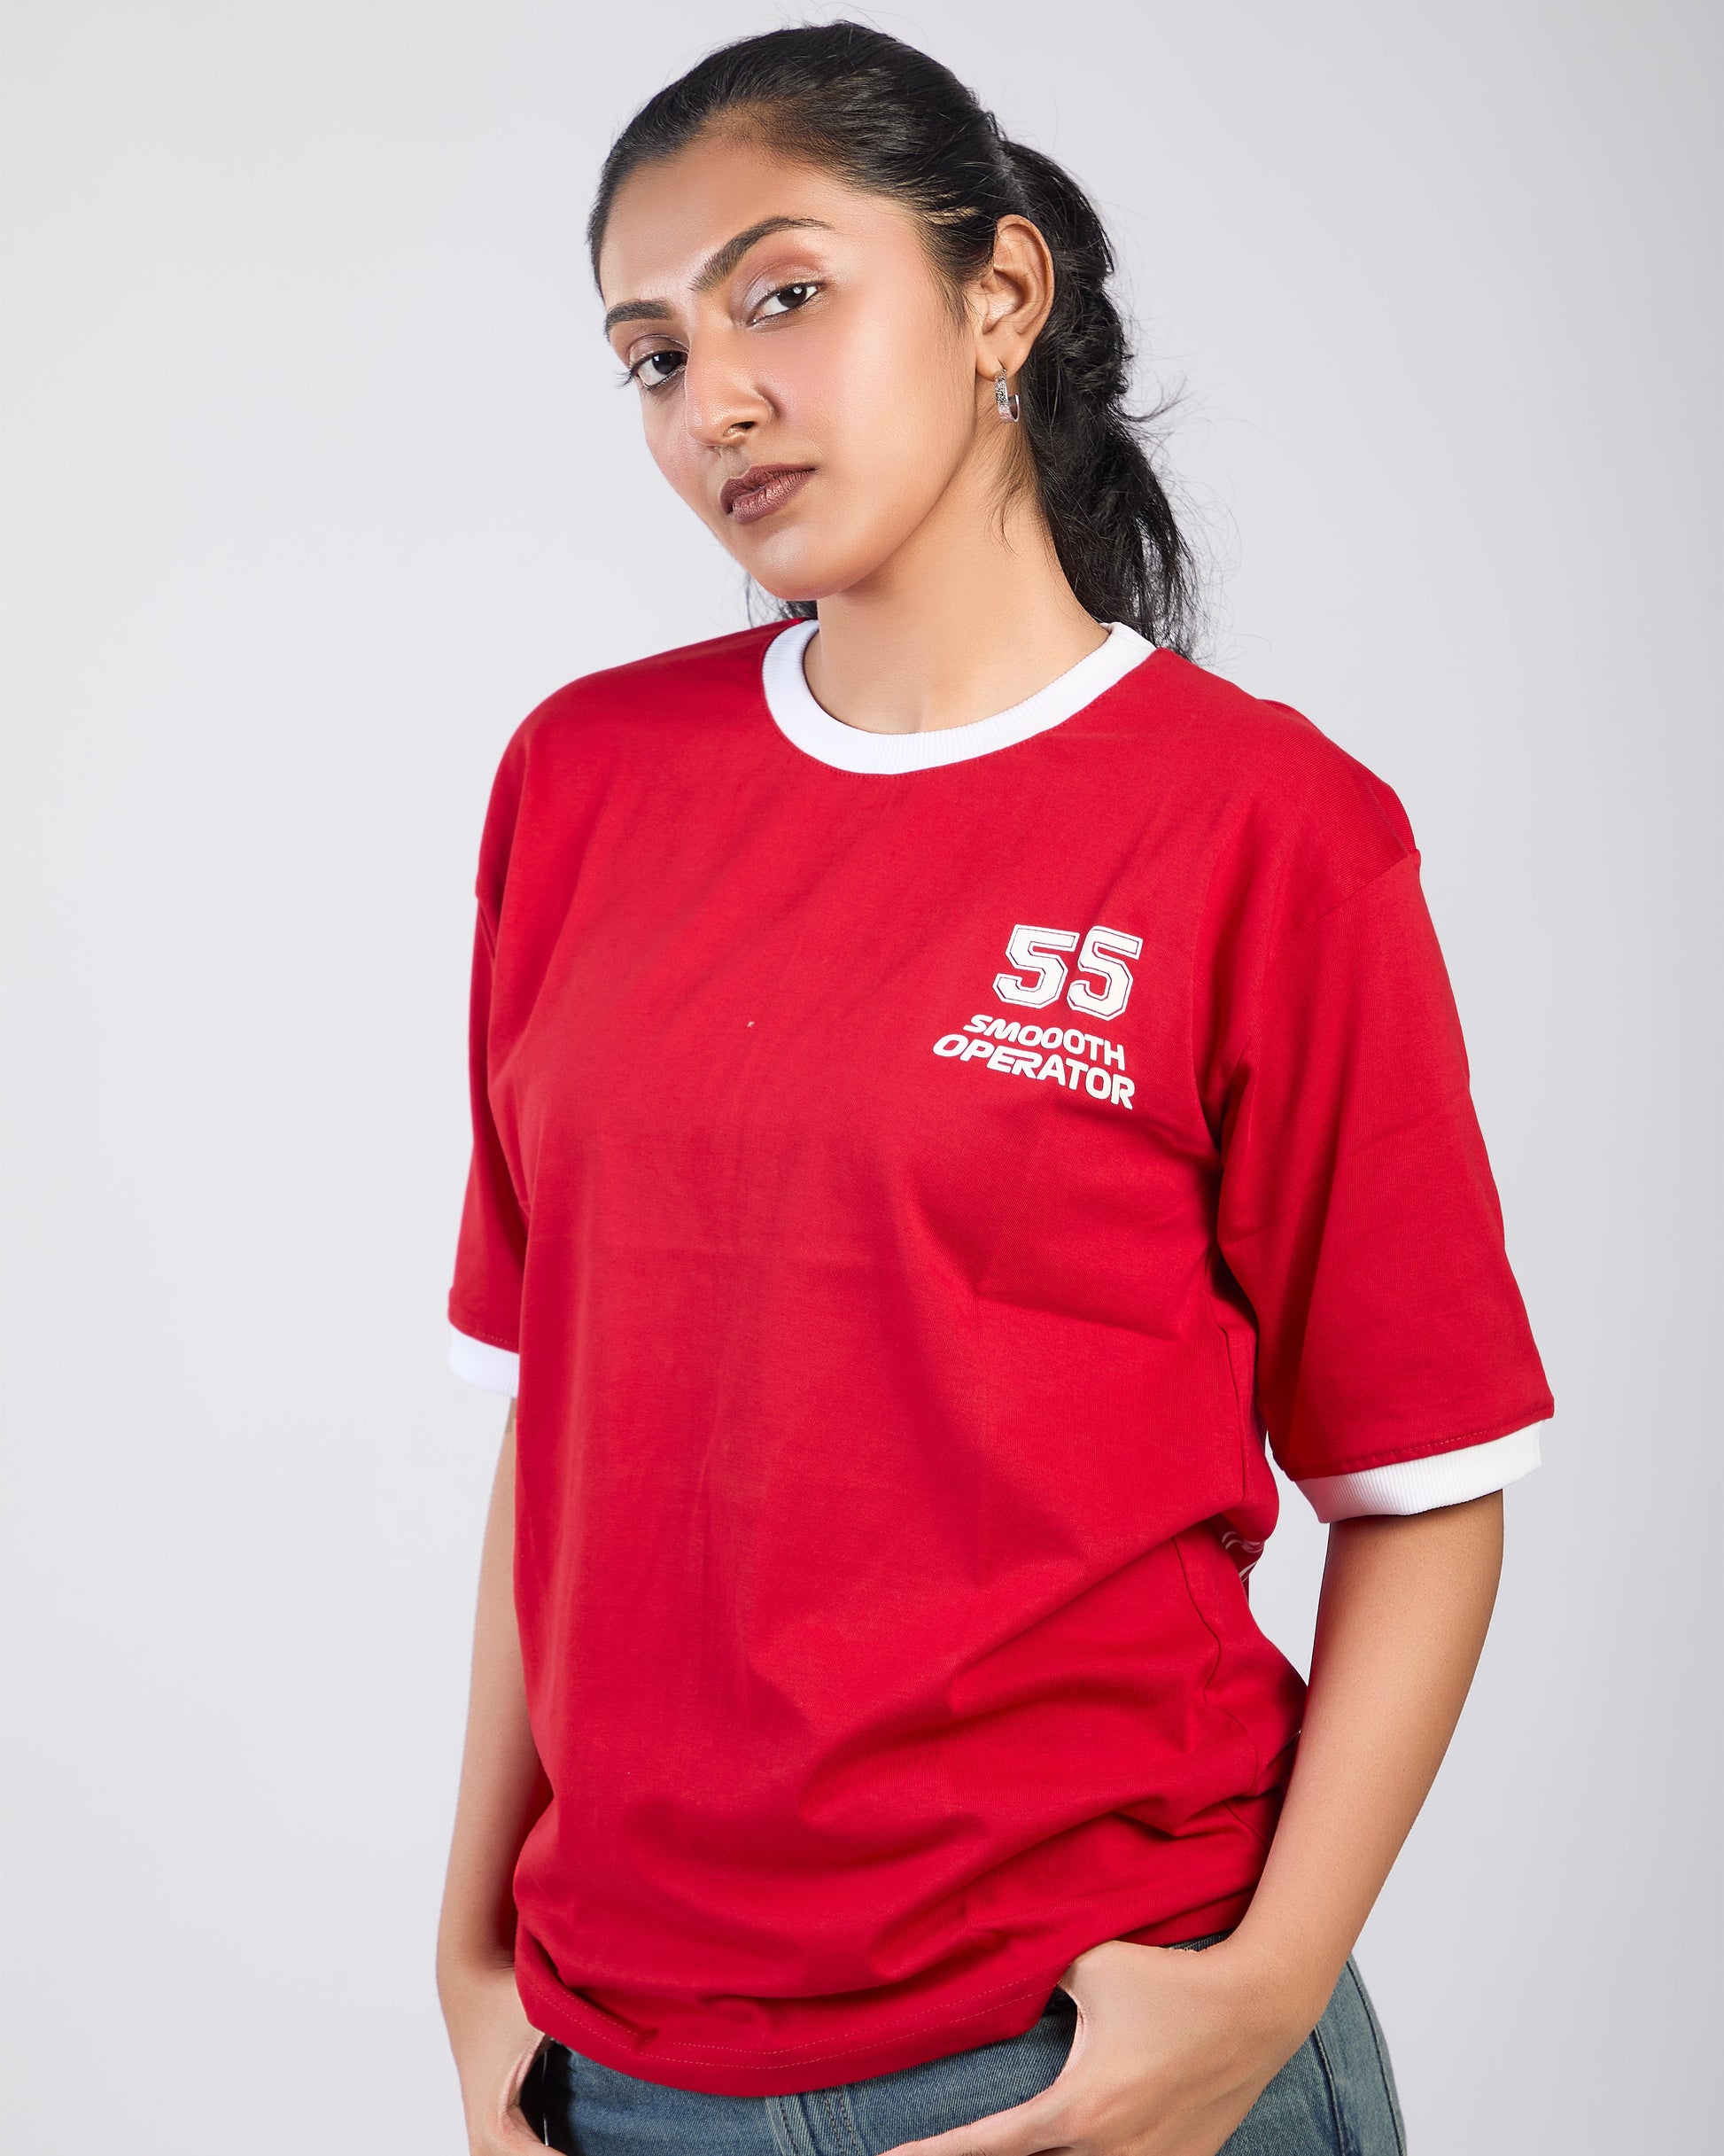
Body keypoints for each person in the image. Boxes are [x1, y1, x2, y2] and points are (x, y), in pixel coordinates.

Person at [434, 23, 1552, 2156]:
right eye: (652, 355)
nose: (713, 398)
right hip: (624, 2063)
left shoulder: (1264, 830)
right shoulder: (583, 778)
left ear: (999, 296)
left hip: (1077, 2051)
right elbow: (559, 1411)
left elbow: (1423, 1479)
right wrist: (471, 1946)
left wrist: (1259, 1994)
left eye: (782, 293)